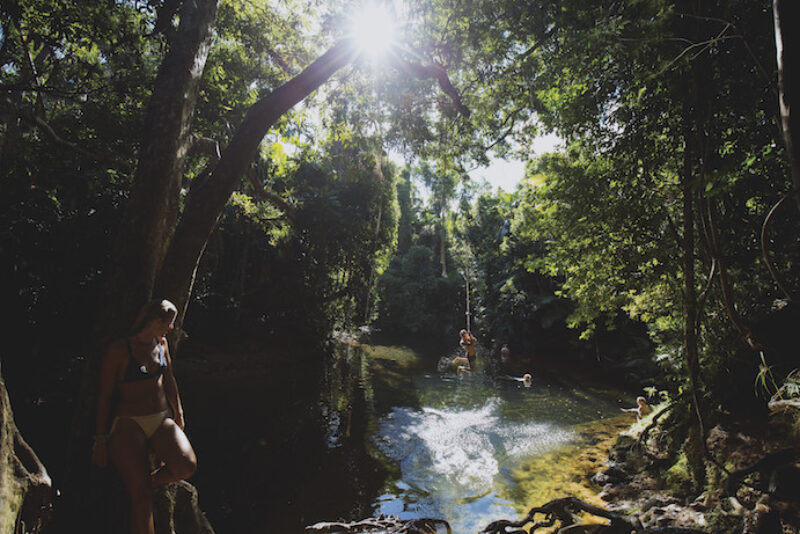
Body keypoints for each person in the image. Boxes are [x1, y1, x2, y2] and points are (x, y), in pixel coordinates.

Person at [92, 299, 197, 534]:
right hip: (129, 424)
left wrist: (178, 412)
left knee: (186, 466)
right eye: (168, 323)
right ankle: (140, 488)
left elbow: (169, 380)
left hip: (161, 420)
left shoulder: (161, 344)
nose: (171, 328)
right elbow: (105, 396)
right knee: (141, 500)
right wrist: (100, 439)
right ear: (154, 320)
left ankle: (144, 482)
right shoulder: (120, 350)